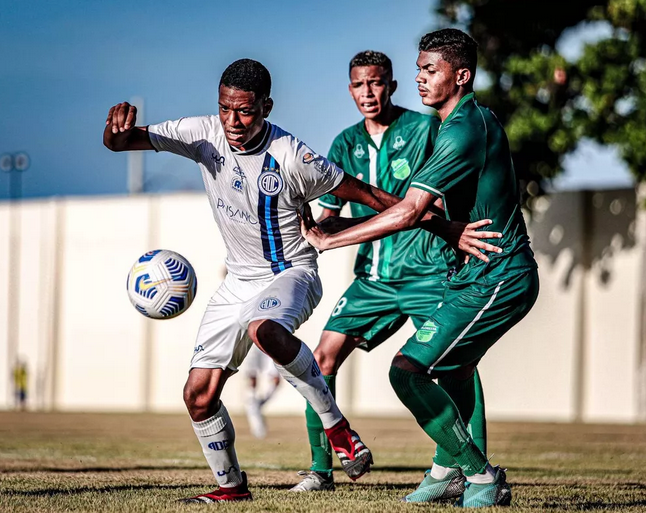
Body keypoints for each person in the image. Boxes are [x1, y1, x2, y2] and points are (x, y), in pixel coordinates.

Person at [104, 59, 379, 503]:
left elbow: (367, 196)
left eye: (245, 111)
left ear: (266, 106)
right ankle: (231, 487)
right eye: (225, 108)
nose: (232, 121)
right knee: (198, 395)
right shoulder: (204, 133)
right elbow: (121, 144)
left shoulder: (293, 156)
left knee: (264, 329)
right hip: (237, 282)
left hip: (291, 272)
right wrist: (113, 134)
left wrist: (430, 218)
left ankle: (338, 428)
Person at [301, 29, 539, 508]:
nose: (420, 78)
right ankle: (443, 471)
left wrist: (330, 238)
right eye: (419, 69)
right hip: (458, 276)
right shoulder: (463, 122)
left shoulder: (460, 129)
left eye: (430, 70)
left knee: (410, 371)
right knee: (439, 367)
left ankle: (480, 476)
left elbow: (410, 210)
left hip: (496, 275)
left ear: (462, 75)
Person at [291, 51, 485, 496]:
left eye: (376, 83)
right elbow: (330, 216)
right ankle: (320, 471)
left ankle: (471, 469)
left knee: (457, 365)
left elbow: (439, 197)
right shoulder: (344, 144)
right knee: (319, 360)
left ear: (391, 85)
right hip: (373, 280)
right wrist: (306, 224)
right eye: (359, 85)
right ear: (350, 89)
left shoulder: (424, 129)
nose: (368, 93)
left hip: (427, 271)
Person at [244, 345, 280, 439]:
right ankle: (257, 425)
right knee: (252, 377)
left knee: (275, 379)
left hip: (270, 341)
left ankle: (257, 405)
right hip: (252, 342)